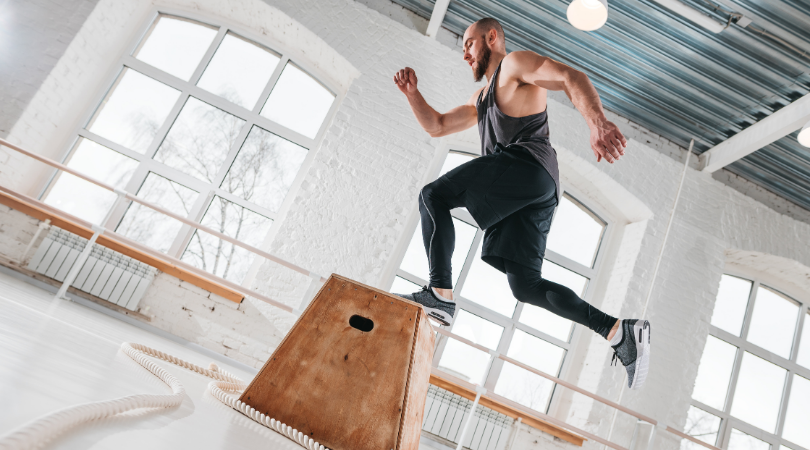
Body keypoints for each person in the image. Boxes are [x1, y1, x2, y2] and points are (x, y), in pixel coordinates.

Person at [393, 18, 650, 390]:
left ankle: (439, 294)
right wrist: (412, 93)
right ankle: (617, 332)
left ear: (492, 37)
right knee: (525, 287)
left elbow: (570, 77)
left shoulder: (513, 66)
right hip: (535, 189)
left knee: (433, 195)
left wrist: (597, 122)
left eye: (469, 44)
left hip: (527, 168)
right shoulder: (481, 100)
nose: (464, 53)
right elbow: (436, 125)